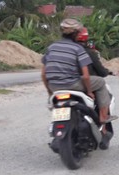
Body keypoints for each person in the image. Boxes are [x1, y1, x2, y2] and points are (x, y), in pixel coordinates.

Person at [41, 18, 114, 150]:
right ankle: (103, 116)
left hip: (55, 86)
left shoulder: (51, 47)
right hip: (73, 84)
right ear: (76, 34)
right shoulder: (78, 49)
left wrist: (50, 91)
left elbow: (43, 74)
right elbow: (86, 76)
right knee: (101, 82)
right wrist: (90, 91)